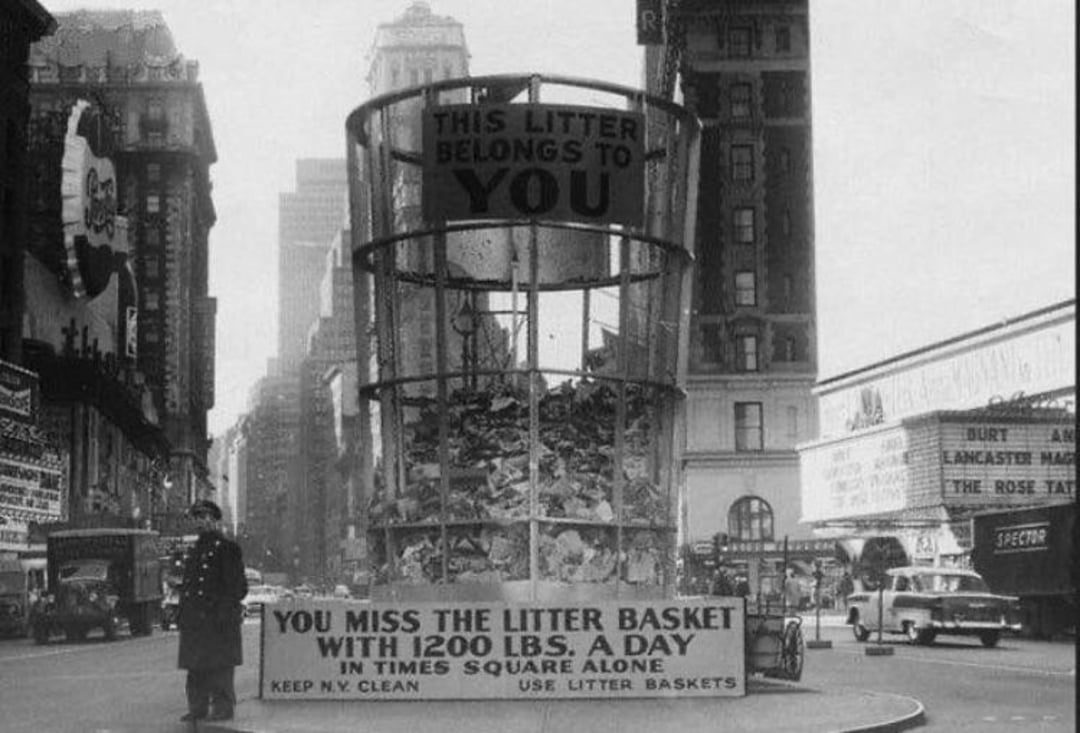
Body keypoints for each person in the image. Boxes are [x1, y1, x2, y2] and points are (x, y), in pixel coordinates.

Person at [177, 499, 248, 722]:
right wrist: (183, 614)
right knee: (196, 667)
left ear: (216, 521)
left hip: (218, 620)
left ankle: (223, 707)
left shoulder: (227, 548)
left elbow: (237, 587)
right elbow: (189, 587)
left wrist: (223, 613)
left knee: (220, 667)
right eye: (197, 518)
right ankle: (197, 707)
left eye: (205, 517)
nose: (201, 522)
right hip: (196, 621)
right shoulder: (194, 550)